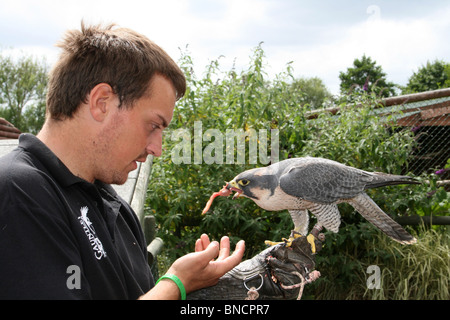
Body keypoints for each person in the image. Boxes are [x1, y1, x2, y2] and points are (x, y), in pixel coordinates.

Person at [0, 22, 245, 300]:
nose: (157, 148)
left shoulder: (116, 208)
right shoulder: (17, 192)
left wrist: (195, 285)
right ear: (101, 102)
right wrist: (175, 284)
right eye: (154, 125)